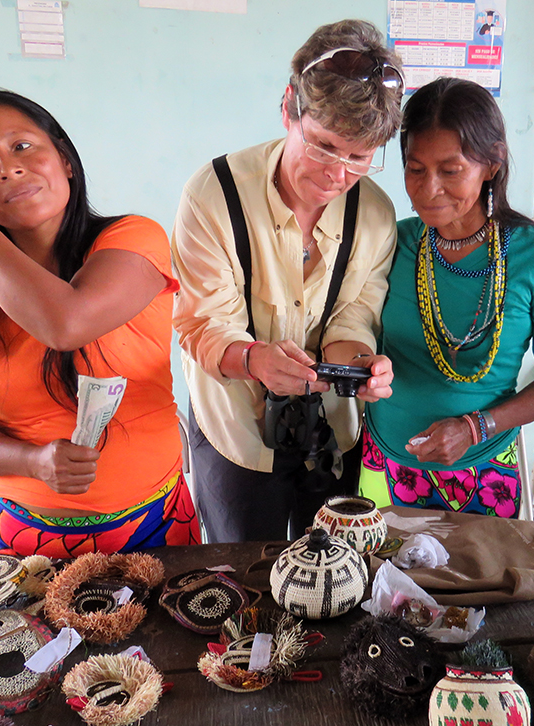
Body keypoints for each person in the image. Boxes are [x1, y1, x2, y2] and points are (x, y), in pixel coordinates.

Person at [0, 89, 200, 556]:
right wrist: (32, 461)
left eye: (21, 147)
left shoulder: (133, 240)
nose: (8, 169)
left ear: (65, 160)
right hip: (24, 534)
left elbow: (65, 322)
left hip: (154, 524)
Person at [172, 19, 403, 542]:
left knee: (334, 570)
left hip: (331, 433)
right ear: (288, 108)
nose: (336, 174)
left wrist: (360, 369)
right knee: (244, 575)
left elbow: (353, 318)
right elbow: (203, 324)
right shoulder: (213, 196)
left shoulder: (375, 215)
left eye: (359, 157)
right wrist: (254, 360)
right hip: (235, 428)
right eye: (322, 145)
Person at [360, 78, 534, 518]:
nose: (428, 189)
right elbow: (354, 322)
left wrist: (477, 427)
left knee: (477, 587)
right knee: (381, 584)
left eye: (451, 170)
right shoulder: (393, 242)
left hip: (484, 471)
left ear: (492, 164)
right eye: (415, 168)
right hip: (384, 461)